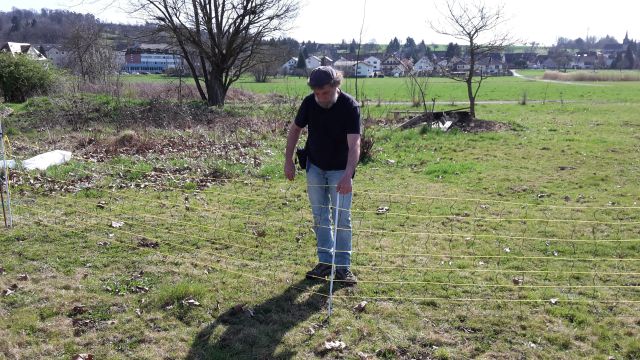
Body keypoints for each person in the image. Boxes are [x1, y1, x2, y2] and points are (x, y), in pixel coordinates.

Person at [284, 66, 361, 286]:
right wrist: (288, 160)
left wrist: (348, 174)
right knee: (320, 216)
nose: (320, 98)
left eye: (325, 93)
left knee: (342, 218)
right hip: (315, 167)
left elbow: (355, 142)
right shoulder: (309, 103)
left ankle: (343, 267)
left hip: (340, 170)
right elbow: (295, 130)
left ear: (336, 86)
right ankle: (325, 262)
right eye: (317, 93)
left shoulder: (350, 106)